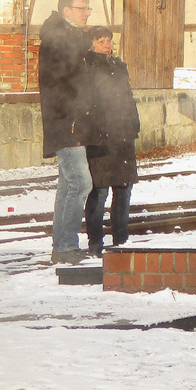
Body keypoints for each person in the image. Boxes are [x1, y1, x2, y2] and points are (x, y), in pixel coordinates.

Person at [39, 0, 94, 264]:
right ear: (66, 10)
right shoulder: (60, 39)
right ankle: (67, 246)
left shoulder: (67, 37)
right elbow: (64, 83)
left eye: (88, 8)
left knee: (67, 185)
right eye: (82, 8)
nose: (87, 13)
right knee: (81, 183)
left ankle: (62, 245)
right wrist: (75, 114)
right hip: (67, 120)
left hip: (68, 119)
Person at [82, 26, 140, 254]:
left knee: (124, 190)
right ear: (91, 44)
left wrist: (134, 124)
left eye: (109, 41)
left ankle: (121, 241)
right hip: (101, 137)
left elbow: (128, 97)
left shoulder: (119, 67)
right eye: (101, 41)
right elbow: (86, 103)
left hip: (123, 135)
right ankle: (95, 243)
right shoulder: (87, 67)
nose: (107, 45)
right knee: (99, 191)